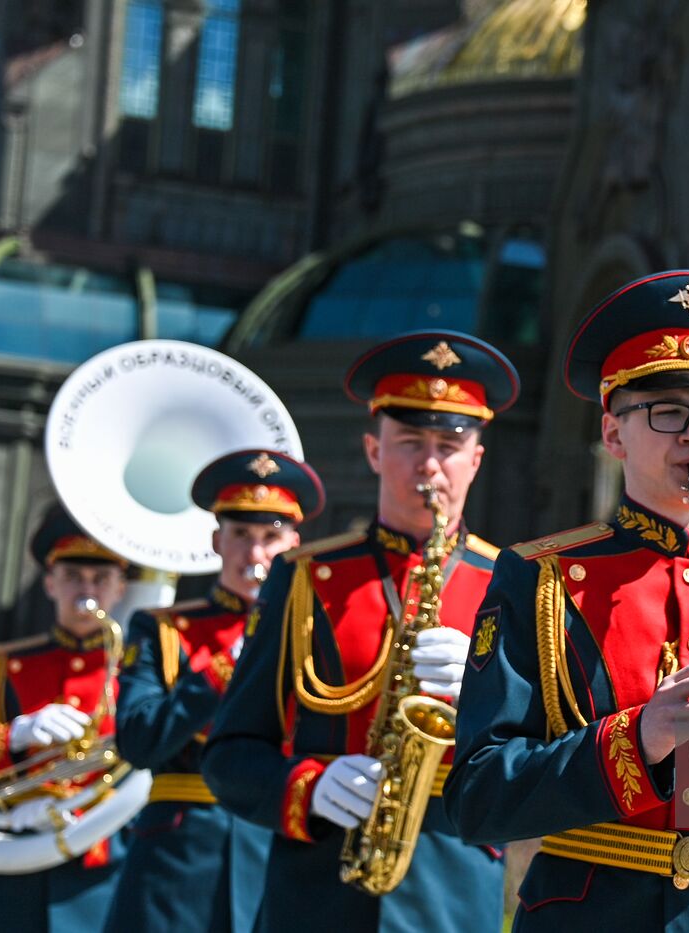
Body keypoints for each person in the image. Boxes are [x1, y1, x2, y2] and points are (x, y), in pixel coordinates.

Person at [446, 271, 689, 930]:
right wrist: (641, 737)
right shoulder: (541, 577)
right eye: (666, 410)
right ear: (613, 433)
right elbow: (478, 797)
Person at [202, 331, 516, 932]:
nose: (429, 464)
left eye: (450, 444)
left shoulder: (513, 584)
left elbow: (541, 752)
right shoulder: (304, 578)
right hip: (317, 888)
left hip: (451, 889)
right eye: (409, 442)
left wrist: (484, 692)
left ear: (476, 459)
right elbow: (231, 755)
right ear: (373, 450)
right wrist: (306, 788)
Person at [104, 449, 324, 932]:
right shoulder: (163, 630)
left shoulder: (313, 631)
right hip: (180, 853)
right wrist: (221, 672)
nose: (255, 553)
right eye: (241, 535)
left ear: (294, 545)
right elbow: (138, 740)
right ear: (215, 541)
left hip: (279, 837)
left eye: (270, 538)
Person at [0, 505, 132, 931]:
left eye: (101, 579)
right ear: (49, 583)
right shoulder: (3, 666)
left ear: (120, 588)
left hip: (103, 853)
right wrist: (16, 736)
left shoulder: (136, 668)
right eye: (73, 576)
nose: (87, 589)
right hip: (12, 846)